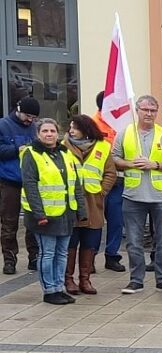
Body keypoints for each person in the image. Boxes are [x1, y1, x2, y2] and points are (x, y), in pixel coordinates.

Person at [114, 95, 162, 295]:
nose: (149, 114)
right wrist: (129, 164)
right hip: (133, 196)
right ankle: (136, 280)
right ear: (137, 111)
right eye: (145, 110)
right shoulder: (125, 133)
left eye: (153, 110)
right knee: (134, 242)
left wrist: (156, 165)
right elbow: (114, 159)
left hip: (161, 197)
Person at [23, 118, 87, 305]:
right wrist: (39, 214)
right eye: (45, 131)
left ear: (57, 133)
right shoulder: (31, 154)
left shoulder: (65, 154)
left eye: (52, 131)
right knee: (47, 253)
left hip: (65, 213)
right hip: (45, 216)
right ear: (38, 134)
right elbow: (30, 186)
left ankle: (59, 288)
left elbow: (75, 184)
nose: (49, 134)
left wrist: (80, 210)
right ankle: (49, 290)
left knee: (62, 253)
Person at [63, 115, 116, 296]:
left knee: (90, 242)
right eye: (70, 127)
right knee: (70, 242)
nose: (71, 131)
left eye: (75, 127)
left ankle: (85, 279)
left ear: (85, 129)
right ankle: (68, 279)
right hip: (71, 202)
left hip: (94, 203)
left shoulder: (103, 146)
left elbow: (110, 173)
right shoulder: (63, 147)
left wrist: (102, 192)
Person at [0, 97, 40, 274]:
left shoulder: (34, 128)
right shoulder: (3, 125)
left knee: (33, 221)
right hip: (9, 180)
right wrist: (17, 149)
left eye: (33, 117)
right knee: (9, 222)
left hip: (31, 181)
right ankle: (9, 260)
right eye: (28, 116)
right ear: (18, 110)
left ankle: (34, 257)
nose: (30, 120)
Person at [91, 92, 125, 272]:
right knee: (95, 221)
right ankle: (90, 256)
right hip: (96, 181)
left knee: (116, 220)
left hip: (118, 179)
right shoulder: (91, 125)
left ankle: (112, 255)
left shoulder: (123, 123)